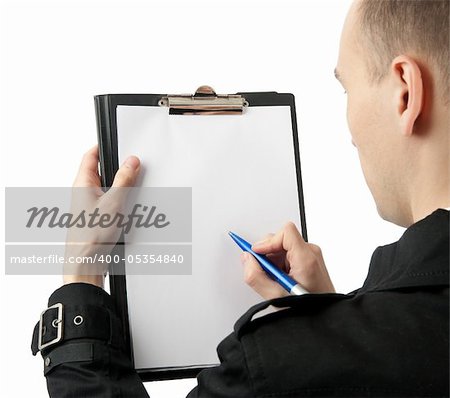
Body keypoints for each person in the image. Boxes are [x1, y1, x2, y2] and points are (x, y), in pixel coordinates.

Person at [31, 0, 449, 396]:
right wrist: (330, 322)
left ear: (405, 92)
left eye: (347, 89)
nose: (351, 135)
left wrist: (81, 278)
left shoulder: (272, 364)